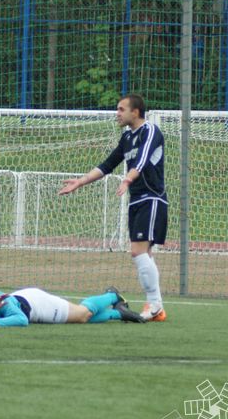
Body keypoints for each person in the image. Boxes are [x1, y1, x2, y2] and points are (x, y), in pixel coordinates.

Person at [57, 94, 167, 322]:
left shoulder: (150, 131)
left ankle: (155, 305)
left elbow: (144, 159)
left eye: (120, 109)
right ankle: (157, 307)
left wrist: (128, 179)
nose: (117, 113)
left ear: (135, 112)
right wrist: (80, 181)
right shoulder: (127, 137)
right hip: (137, 200)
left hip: (152, 198)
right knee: (144, 253)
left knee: (137, 252)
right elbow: (108, 164)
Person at [0, 286, 145, 326]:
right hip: (28, 299)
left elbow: (21, 320)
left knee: (82, 314)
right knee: (79, 320)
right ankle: (119, 314)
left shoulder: (4, 302)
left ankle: (112, 295)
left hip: (37, 304)